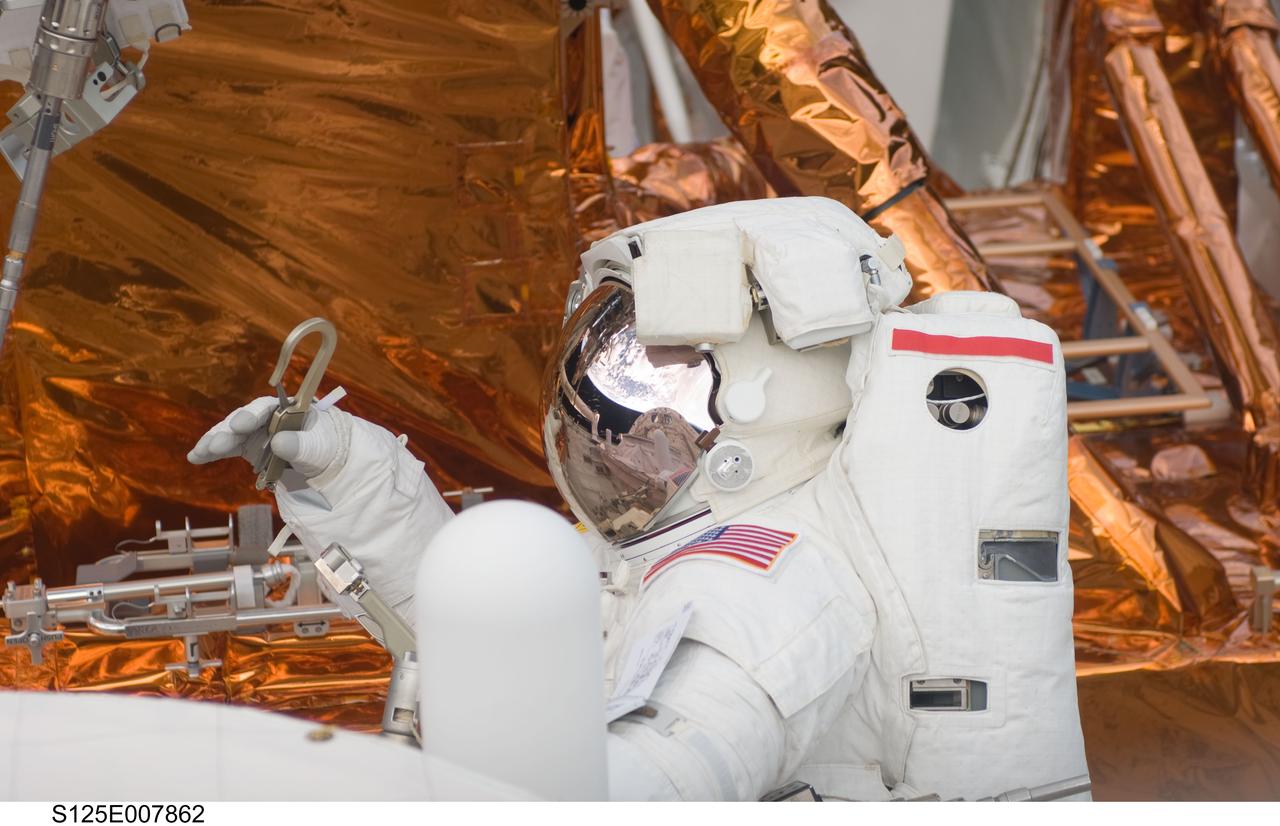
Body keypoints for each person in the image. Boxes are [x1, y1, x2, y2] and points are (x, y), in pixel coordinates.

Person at [189, 197, 1090, 800]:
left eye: (649, 406)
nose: (614, 434)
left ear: (751, 420)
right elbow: (495, 638)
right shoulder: (695, 542)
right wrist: (344, 468)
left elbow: (674, 761)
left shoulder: (762, 587)